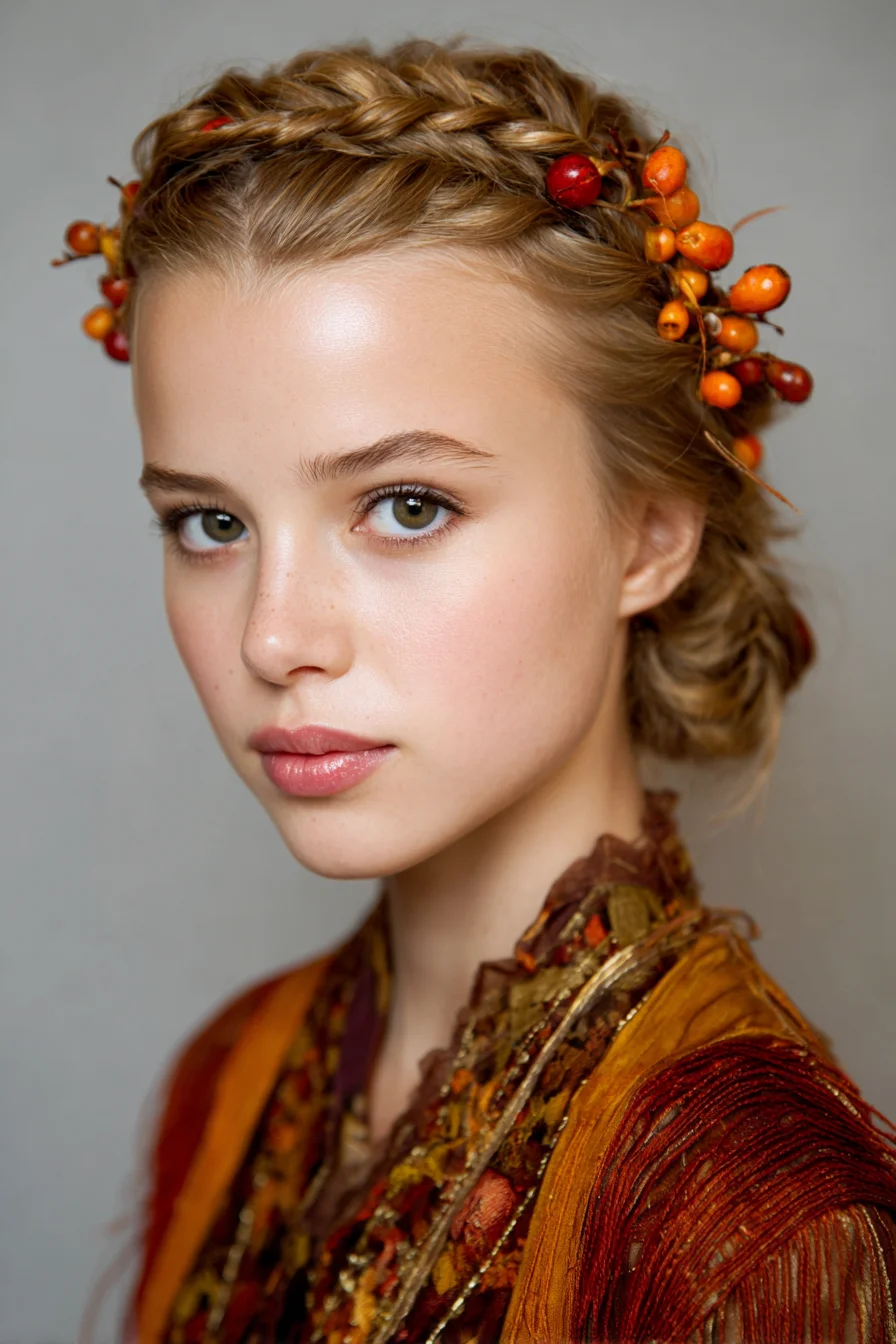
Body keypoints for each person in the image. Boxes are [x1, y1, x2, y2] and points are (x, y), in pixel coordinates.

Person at [57, 37, 896, 1344]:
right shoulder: (235, 1079)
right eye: (209, 525)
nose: (276, 637)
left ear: (650, 535)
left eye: (405, 505)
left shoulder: (747, 1221)